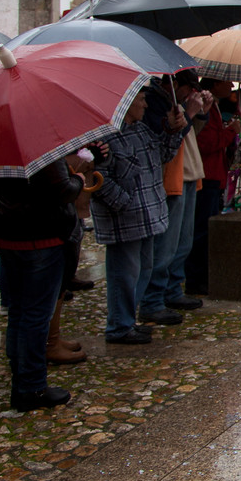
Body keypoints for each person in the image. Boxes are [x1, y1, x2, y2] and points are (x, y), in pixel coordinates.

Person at [0, 160, 83, 411]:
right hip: (40, 235)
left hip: (8, 233)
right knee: (35, 315)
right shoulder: (41, 147)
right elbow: (62, 190)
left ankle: (20, 373)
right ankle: (31, 386)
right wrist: (79, 180)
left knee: (20, 311)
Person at [91, 89, 183, 345]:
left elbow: (163, 154)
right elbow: (98, 179)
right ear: (127, 103)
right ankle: (119, 326)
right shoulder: (106, 137)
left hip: (148, 215)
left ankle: (127, 321)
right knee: (124, 274)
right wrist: (124, 203)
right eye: (141, 99)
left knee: (142, 270)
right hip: (127, 218)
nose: (145, 104)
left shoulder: (140, 129)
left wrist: (174, 131)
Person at [138, 75, 210, 327]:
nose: (192, 95)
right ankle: (153, 300)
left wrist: (200, 114)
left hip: (189, 174)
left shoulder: (175, 102)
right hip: (172, 178)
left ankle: (171, 290)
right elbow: (168, 140)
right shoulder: (157, 103)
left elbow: (190, 136)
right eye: (190, 90)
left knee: (183, 242)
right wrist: (189, 113)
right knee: (165, 246)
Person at [186, 83, 239, 296]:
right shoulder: (203, 107)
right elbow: (206, 143)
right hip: (207, 175)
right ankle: (195, 277)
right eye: (227, 82)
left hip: (214, 175)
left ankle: (201, 275)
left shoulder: (215, 107)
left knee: (206, 228)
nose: (231, 85)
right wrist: (229, 133)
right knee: (201, 229)